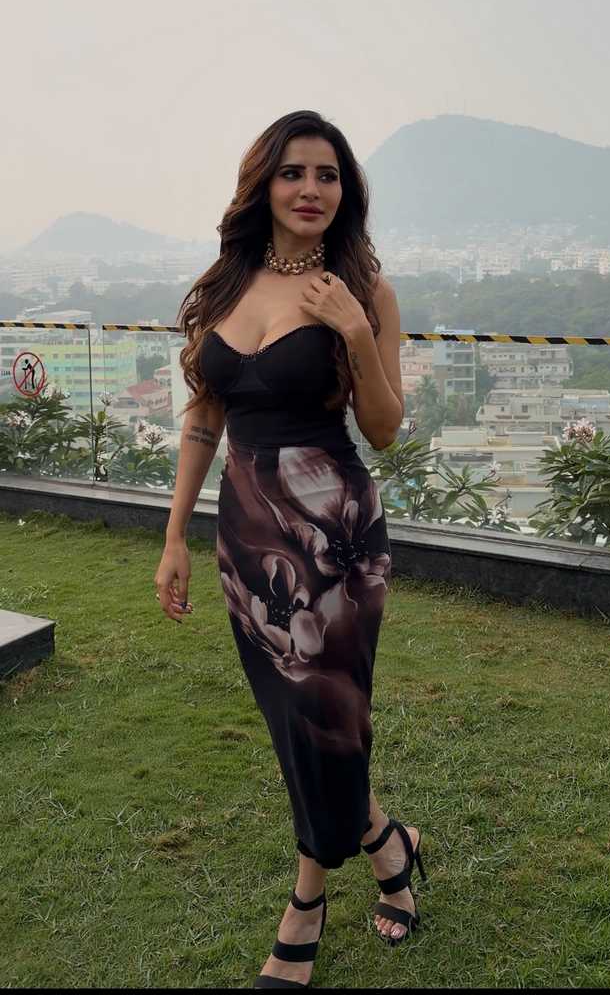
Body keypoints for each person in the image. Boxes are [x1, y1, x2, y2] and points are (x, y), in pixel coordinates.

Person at [154, 110, 427, 989]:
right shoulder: (225, 286)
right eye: (294, 172)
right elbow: (204, 418)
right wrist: (176, 536)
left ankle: (305, 903)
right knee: (293, 722)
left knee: (330, 720)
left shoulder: (367, 290)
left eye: (328, 175)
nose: (312, 189)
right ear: (263, 185)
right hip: (248, 538)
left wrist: (354, 330)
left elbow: (383, 429)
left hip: (335, 537)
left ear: (347, 192)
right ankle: (389, 845)